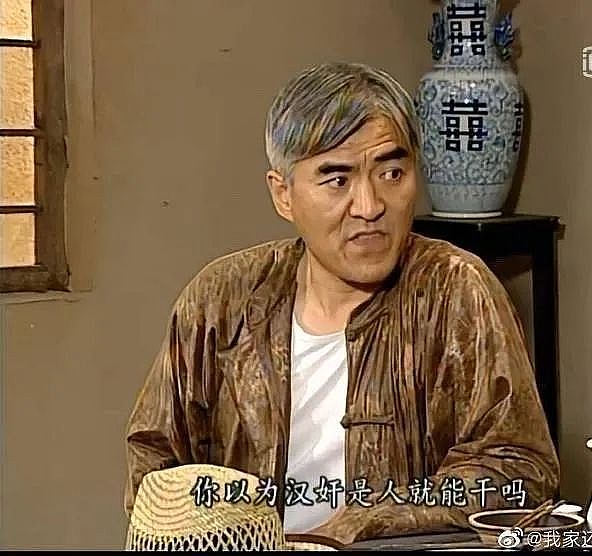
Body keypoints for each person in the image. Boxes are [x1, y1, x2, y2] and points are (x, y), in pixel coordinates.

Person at [124, 61, 559, 545]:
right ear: (283, 194)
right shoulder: (221, 299)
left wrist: (360, 525)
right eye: (338, 181)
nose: (370, 206)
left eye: (392, 173)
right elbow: (156, 466)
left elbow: (517, 468)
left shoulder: (456, 289)